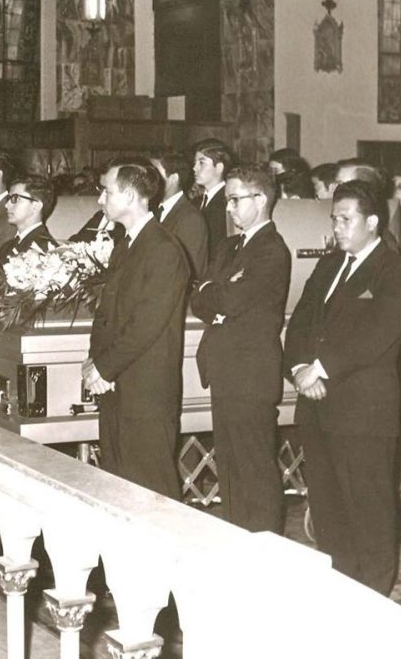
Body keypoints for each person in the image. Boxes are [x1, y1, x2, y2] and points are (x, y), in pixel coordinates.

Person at [283, 180, 401, 594]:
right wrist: (300, 368)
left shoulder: (398, 271)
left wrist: (320, 369)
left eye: (346, 219)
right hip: (317, 406)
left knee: (369, 505)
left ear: (373, 222)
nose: (337, 227)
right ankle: (342, 586)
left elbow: (377, 334)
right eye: (334, 219)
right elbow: (301, 322)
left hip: (364, 411)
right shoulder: (328, 266)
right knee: (328, 504)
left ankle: (375, 592)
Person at [190, 163, 291, 532]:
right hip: (224, 368)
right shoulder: (229, 246)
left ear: (260, 199)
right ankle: (237, 539)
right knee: (230, 467)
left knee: (254, 467)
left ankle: (264, 543)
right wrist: (216, 294)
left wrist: (215, 294)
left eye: (235, 199)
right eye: (228, 200)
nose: (229, 207)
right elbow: (199, 299)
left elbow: (229, 300)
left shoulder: (271, 250)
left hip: (251, 373)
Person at [84, 157, 191, 498]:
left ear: (130, 196)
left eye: (107, 192)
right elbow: (107, 315)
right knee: (119, 485)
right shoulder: (126, 246)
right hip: (116, 386)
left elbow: (146, 323)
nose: (100, 199)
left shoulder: (163, 249)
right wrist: (95, 364)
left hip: (145, 391)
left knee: (152, 490)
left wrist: (104, 367)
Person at [150, 151, 209, 280]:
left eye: (155, 175)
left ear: (173, 179)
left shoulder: (191, 218)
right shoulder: (152, 212)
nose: (149, 181)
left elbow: (189, 273)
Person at [0, 175, 58, 269]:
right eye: (8, 199)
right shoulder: (6, 247)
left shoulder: (46, 251)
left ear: (36, 206)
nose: (7, 205)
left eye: (15, 198)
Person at [192, 138, 235, 260]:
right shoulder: (195, 202)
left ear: (219, 167)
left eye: (201, 163)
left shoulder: (228, 202)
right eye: (195, 163)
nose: (194, 168)